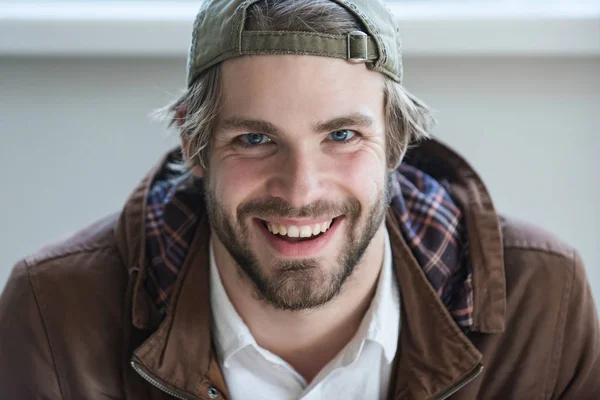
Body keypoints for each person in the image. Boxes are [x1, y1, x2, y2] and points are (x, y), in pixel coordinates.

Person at [1, 0, 598, 399]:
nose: (301, 190)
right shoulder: (57, 316)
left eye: (342, 135)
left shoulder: (541, 303)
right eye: (255, 139)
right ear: (196, 145)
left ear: (395, 140)